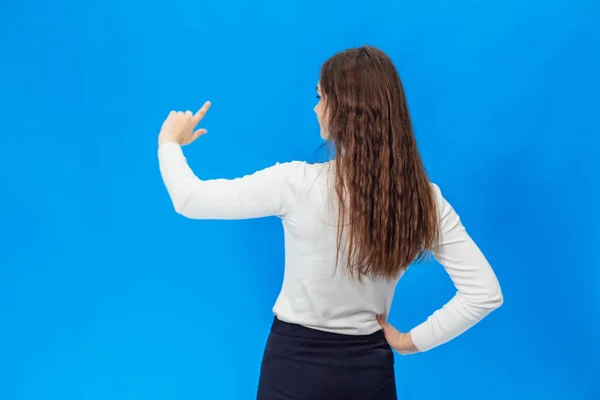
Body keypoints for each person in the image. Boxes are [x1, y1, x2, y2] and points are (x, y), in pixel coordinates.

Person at [157, 46, 503, 399]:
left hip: (291, 369)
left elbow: (190, 200)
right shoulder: (423, 200)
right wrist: (409, 342)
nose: (315, 107)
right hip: (369, 373)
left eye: (320, 96)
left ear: (342, 108)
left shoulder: (295, 183)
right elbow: (484, 293)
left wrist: (169, 142)